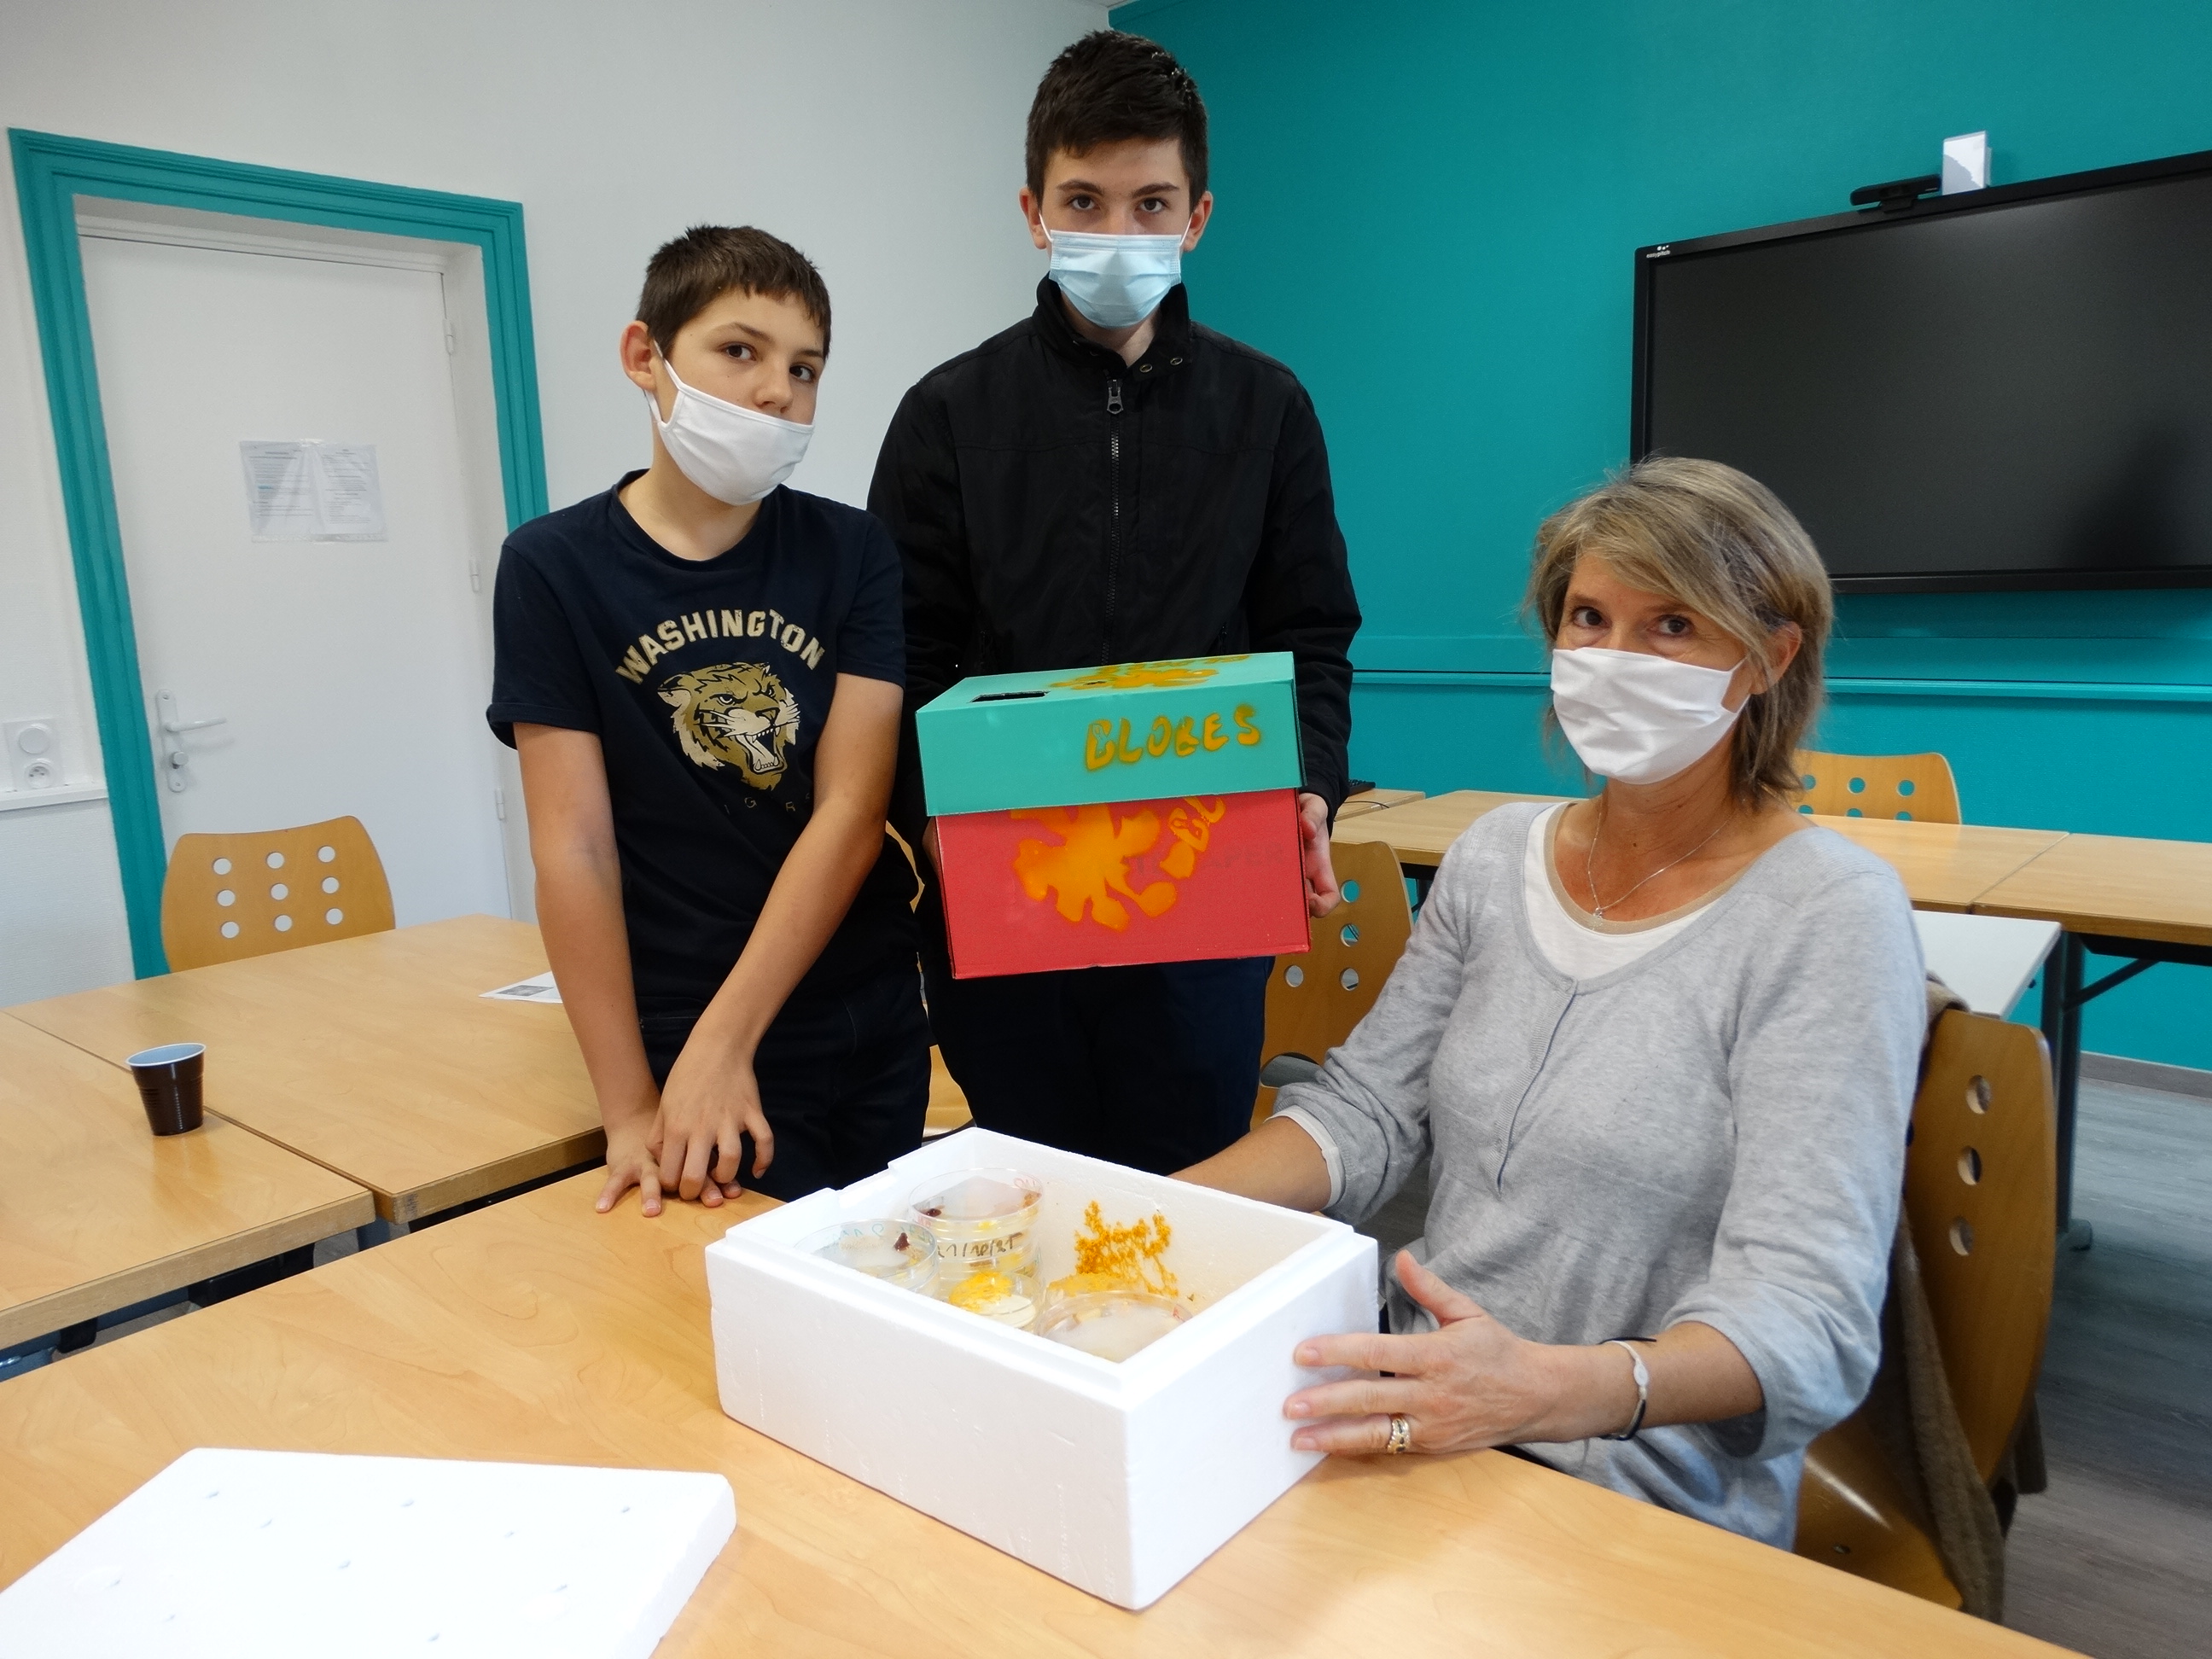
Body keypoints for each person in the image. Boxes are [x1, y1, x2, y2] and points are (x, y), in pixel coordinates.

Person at [1179, 457, 1926, 1547]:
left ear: (1768, 658)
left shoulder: (1828, 916)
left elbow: (1805, 1324)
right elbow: (1364, 1115)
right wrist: (1155, 1208)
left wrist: (1541, 1390)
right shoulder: (1494, 858)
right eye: (1589, 618)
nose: (1616, 659)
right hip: (1414, 1406)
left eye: (1673, 625)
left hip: (1636, 1481)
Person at [868, 30, 1362, 1176]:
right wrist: (934, 817)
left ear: (1197, 216)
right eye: (1084, 201)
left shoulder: (1268, 408)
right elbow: (902, 652)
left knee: (1188, 1190)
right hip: (1004, 893)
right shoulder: (948, 414)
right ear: (1034, 211)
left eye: (1152, 204)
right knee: (1025, 1183)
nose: (1119, 233)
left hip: (1201, 899)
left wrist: (1309, 784)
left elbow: (1311, 634)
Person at [487, 226, 927, 1214]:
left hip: (860, 1009)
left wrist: (726, 1042)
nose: (777, 391)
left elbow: (852, 811)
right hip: (680, 1026)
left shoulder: (853, 551)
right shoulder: (552, 567)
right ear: (645, 356)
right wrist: (630, 1106)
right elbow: (575, 852)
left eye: (804, 368)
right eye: (740, 350)